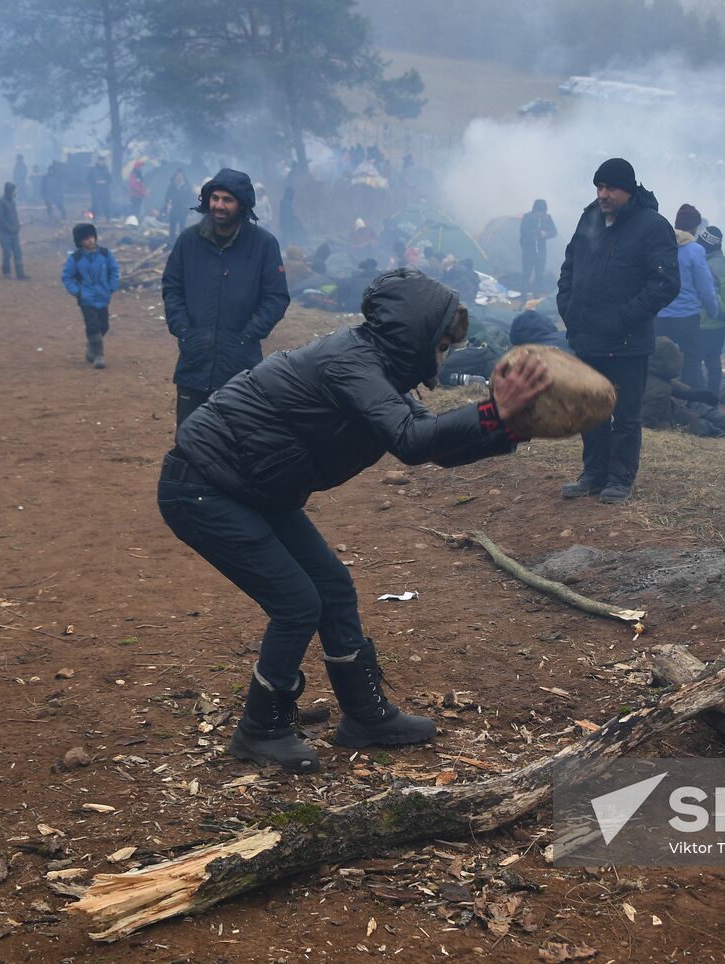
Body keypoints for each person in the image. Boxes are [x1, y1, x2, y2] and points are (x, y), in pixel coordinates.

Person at [160, 268, 552, 772]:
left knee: (334, 590)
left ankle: (366, 716)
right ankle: (260, 728)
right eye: (442, 344)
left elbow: (433, 449)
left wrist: (508, 429)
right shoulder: (351, 362)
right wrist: (492, 411)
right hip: (202, 487)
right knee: (299, 603)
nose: (445, 356)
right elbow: (412, 440)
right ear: (413, 334)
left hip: (255, 489)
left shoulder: (377, 369)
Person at [556, 157, 679, 504]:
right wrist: (568, 307)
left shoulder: (652, 226)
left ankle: (619, 479)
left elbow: (665, 283)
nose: (603, 194)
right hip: (587, 338)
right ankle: (593, 474)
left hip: (627, 342)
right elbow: (570, 267)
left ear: (628, 190)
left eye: (610, 188)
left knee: (624, 414)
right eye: (599, 187)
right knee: (590, 411)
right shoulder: (590, 217)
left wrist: (624, 317)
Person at [163, 168, 291, 425]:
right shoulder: (189, 241)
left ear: (242, 204)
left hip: (240, 365)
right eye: (215, 198)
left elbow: (276, 297)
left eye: (227, 200)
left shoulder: (263, 245)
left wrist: (248, 335)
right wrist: (185, 332)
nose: (219, 205)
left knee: (238, 443)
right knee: (190, 442)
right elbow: (172, 287)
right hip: (194, 361)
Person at [642, 337, 725, 439]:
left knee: (707, 411)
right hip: (674, 418)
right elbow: (645, 422)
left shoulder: (646, 370)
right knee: (709, 426)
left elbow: (664, 381)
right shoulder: (658, 392)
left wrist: (691, 393)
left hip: (676, 407)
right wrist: (671, 427)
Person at [656, 203, 719, 392]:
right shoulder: (695, 250)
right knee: (692, 362)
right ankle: (696, 405)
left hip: (662, 316)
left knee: (660, 361)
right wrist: (713, 310)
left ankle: (662, 398)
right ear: (695, 227)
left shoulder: (662, 245)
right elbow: (705, 287)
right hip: (687, 318)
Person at [62, 223, 120, 369]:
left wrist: (112, 287)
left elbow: (114, 270)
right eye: (86, 238)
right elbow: (67, 277)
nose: (90, 241)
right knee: (93, 325)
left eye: (92, 237)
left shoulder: (105, 254)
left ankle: (91, 346)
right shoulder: (75, 259)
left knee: (104, 326)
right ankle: (99, 356)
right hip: (86, 298)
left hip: (103, 296)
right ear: (79, 241)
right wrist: (77, 292)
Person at [695, 226, 725, 394]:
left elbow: (713, 299)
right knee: (714, 361)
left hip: (706, 324)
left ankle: (700, 399)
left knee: (695, 363)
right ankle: (713, 397)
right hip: (723, 327)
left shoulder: (706, 267)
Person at [518, 199, 557, 296]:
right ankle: (523, 296)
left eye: (543, 212)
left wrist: (546, 234)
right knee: (526, 274)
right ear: (535, 210)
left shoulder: (547, 218)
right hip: (528, 251)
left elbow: (554, 232)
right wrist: (539, 233)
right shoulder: (527, 217)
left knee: (539, 275)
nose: (541, 214)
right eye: (540, 212)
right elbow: (524, 232)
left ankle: (536, 296)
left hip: (541, 252)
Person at [0, 181, 27, 279]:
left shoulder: (13, 202)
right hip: (4, 233)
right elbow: (0, 219)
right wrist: (10, 228)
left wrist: (17, 227)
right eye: (14, 191)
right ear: (9, 191)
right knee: (7, 253)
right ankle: (6, 273)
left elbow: (15, 216)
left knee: (18, 252)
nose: (15, 193)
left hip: (14, 232)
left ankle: (20, 273)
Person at [162, 168, 196, 242]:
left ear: (183, 176)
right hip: (174, 208)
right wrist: (164, 209)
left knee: (182, 225)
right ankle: (171, 240)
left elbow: (191, 198)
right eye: (177, 176)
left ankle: (182, 241)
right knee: (172, 225)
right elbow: (167, 197)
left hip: (183, 209)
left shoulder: (187, 186)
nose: (178, 177)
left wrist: (190, 210)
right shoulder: (172, 185)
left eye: (180, 176)